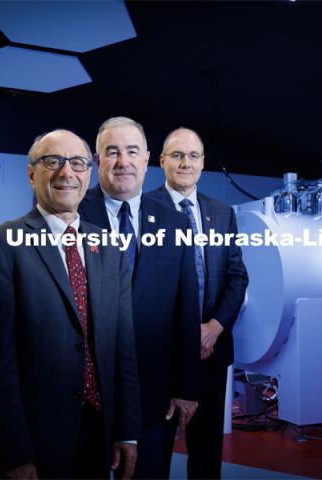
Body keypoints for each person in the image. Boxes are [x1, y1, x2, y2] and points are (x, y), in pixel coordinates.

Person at [0, 129, 141, 479]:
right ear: (32, 174)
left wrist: (127, 430)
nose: (66, 172)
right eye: (52, 161)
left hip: (97, 435)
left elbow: (123, 347)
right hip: (30, 445)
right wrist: (11, 454)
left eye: (77, 162)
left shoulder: (109, 247)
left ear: (88, 174)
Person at [78, 117, 201, 479]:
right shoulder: (71, 216)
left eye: (132, 151)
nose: (123, 161)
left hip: (154, 395)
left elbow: (186, 308)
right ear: (98, 161)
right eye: (112, 152)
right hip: (85, 394)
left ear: (147, 159)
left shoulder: (176, 224)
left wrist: (186, 387)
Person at [146, 127, 248, 479]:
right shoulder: (144, 210)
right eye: (177, 155)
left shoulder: (223, 214)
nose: (185, 162)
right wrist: (185, 335)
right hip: (162, 357)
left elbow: (238, 277)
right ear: (162, 162)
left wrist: (214, 327)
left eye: (193, 156)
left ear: (203, 163)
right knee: (154, 453)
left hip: (211, 351)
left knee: (207, 455)